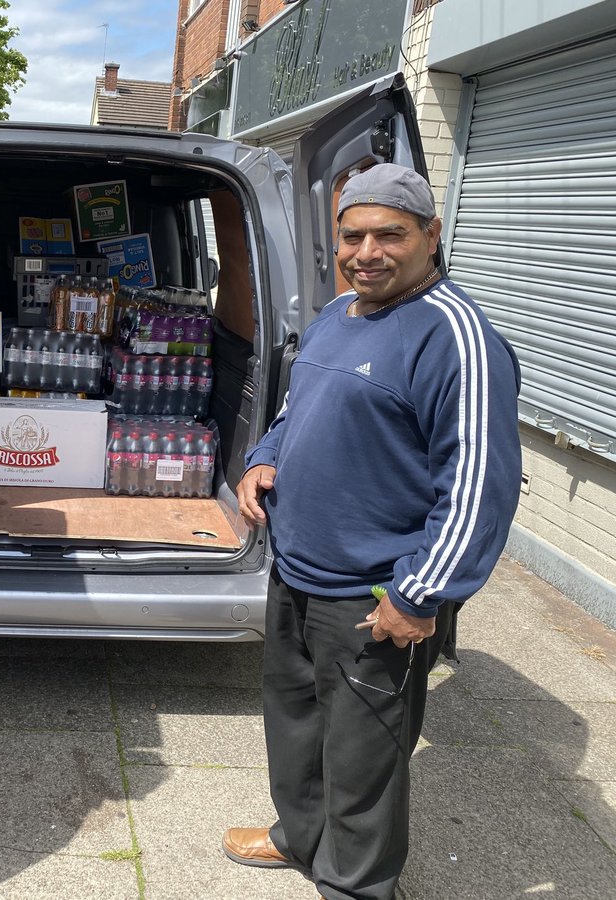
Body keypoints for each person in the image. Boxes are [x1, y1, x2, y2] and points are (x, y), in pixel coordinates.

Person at [221, 164, 522, 900]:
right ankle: (301, 838)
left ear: (430, 234)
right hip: (298, 570)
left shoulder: (457, 338)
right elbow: (298, 409)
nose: (368, 251)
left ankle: (355, 886)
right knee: (295, 723)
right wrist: (264, 458)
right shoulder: (339, 313)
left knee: (364, 758)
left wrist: (419, 593)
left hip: (374, 591)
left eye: (390, 233)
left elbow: (481, 485)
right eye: (353, 235)